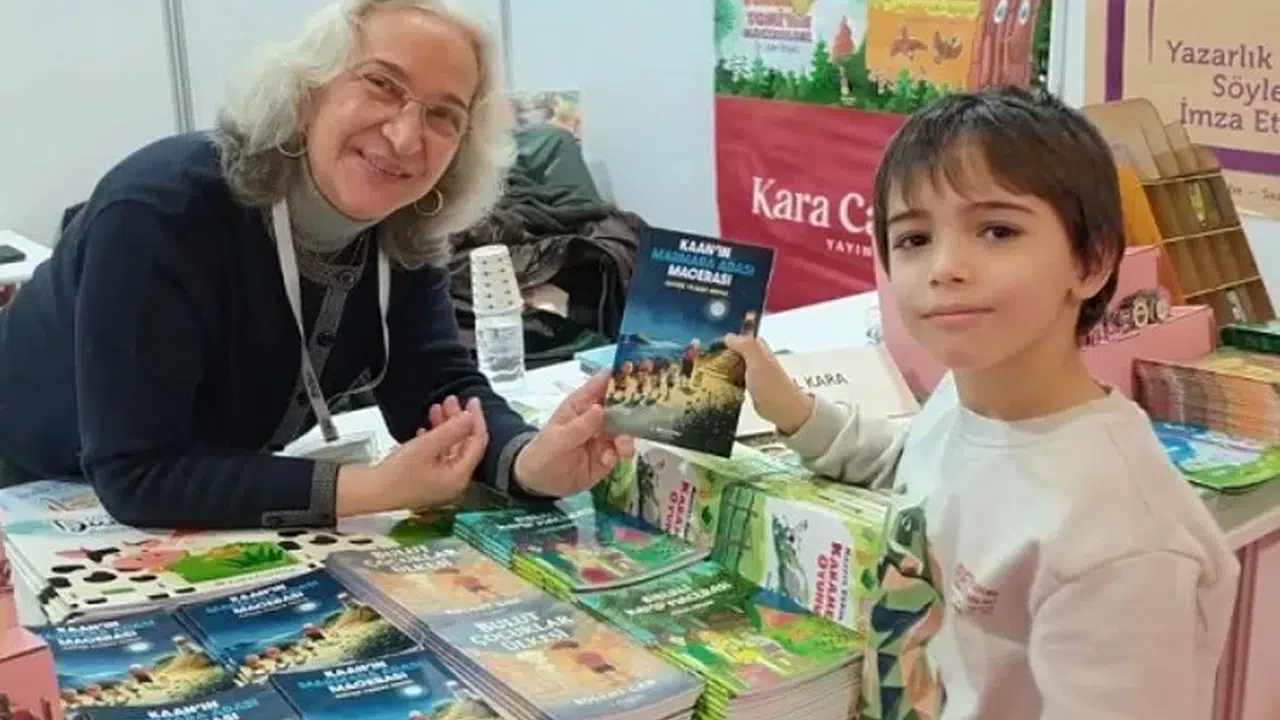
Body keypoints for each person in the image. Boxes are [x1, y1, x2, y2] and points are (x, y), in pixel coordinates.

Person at [0, 0, 631, 529]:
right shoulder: (160, 213)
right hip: (30, 491)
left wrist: (527, 462)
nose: (405, 137)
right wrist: (374, 489)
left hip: (183, 504)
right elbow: (137, 472)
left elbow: (433, 384)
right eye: (382, 84)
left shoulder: (404, 221)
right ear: (308, 92)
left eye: (443, 115)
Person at [726, 87, 1238, 719]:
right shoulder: (964, 397)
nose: (945, 266)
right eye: (914, 239)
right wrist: (794, 412)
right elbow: (918, 467)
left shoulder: (1122, 543)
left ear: (1093, 260)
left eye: (997, 230)